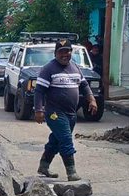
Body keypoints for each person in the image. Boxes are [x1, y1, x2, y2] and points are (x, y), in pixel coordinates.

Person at [33, 39, 98, 181]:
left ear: (71, 52)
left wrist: (92, 99)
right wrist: (39, 110)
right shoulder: (48, 69)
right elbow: (39, 91)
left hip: (71, 113)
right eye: (61, 52)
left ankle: (43, 166)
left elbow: (84, 85)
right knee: (66, 139)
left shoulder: (75, 67)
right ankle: (71, 172)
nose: (65, 54)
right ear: (56, 53)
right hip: (55, 113)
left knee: (56, 140)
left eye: (67, 51)